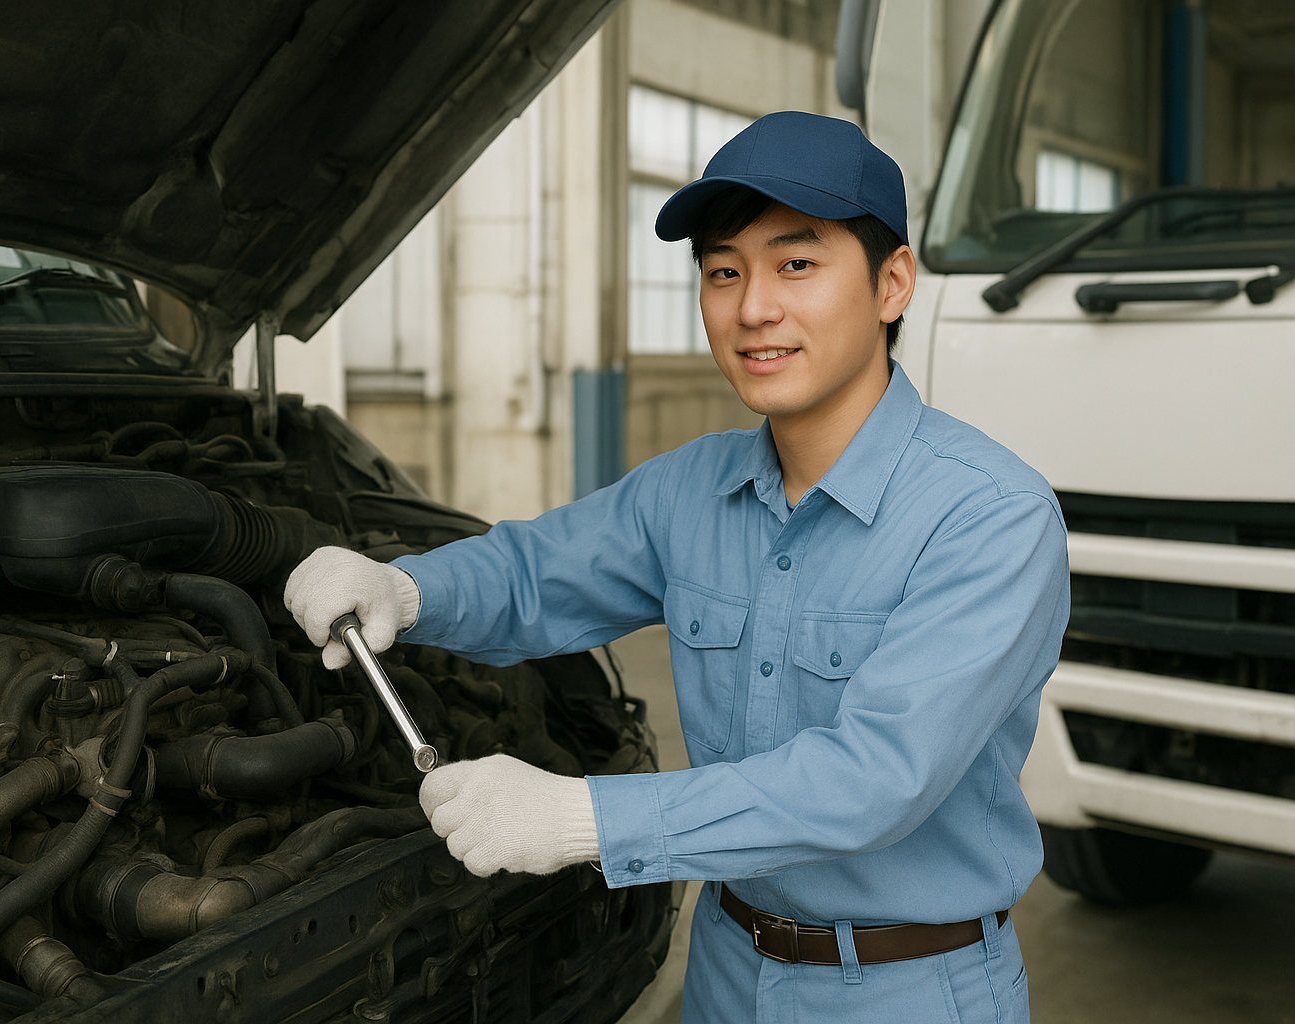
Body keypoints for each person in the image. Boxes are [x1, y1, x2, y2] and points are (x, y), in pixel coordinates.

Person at [284, 111, 1068, 1024]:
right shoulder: (692, 488)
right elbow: (539, 572)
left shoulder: (990, 518)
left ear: (893, 284)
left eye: (797, 265)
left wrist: (587, 819)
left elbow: (875, 776)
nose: (753, 309)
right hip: (727, 966)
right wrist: (406, 589)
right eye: (723, 271)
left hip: (909, 988)